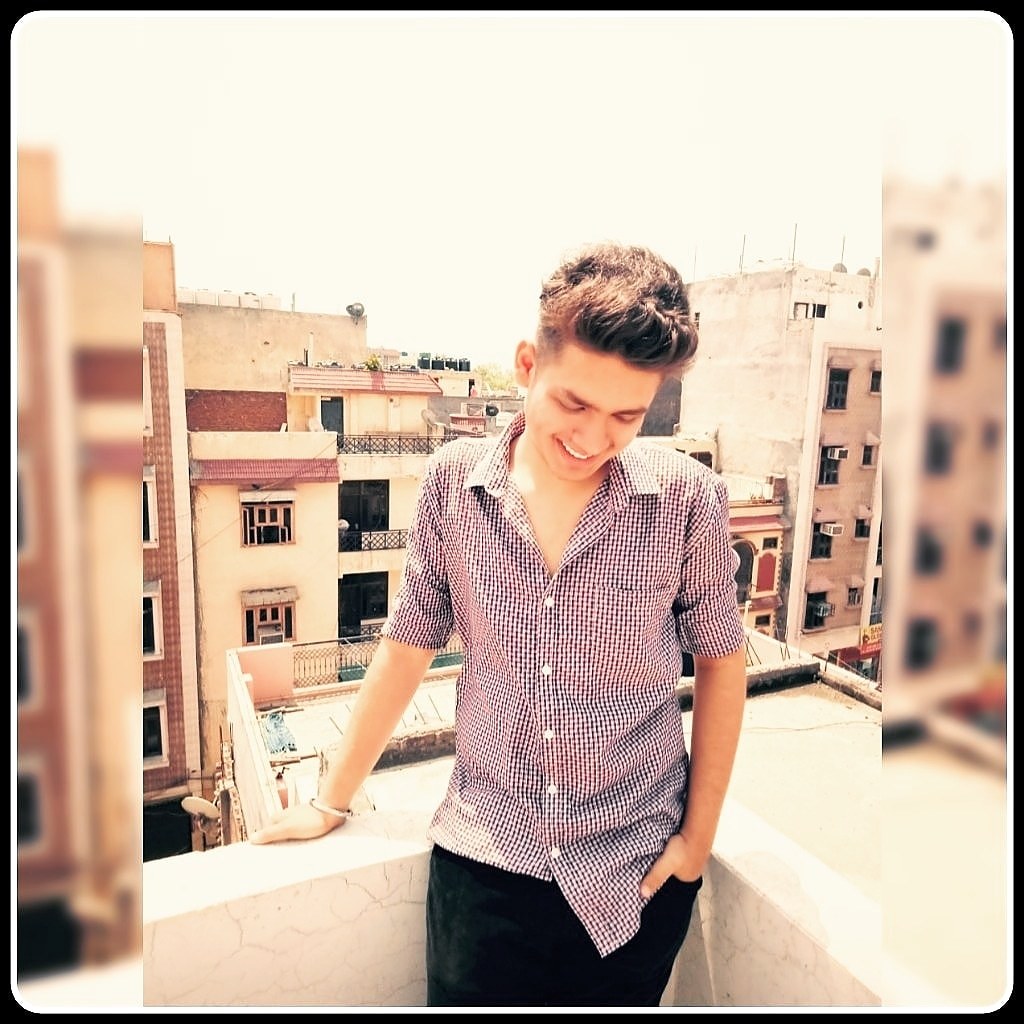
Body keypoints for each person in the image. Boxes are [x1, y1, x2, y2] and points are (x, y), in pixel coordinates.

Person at [250, 241, 748, 1008]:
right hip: (485, 864)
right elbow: (406, 646)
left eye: (626, 415)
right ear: (525, 365)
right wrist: (330, 800)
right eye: (574, 404)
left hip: (638, 871)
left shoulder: (689, 499)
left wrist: (696, 841)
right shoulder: (453, 485)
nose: (594, 437)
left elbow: (721, 661)